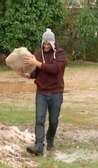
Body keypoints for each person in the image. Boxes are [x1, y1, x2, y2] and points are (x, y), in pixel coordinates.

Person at [23, 28, 66, 156]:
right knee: (39, 119)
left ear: (53, 43)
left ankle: (50, 140)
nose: (46, 46)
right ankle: (38, 146)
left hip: (56, 92)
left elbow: (55, 69)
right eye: (44, 43)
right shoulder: (38, 54)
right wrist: (29, 75)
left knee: (53, 120)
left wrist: (37, 63)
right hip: (41, 92)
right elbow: (36, 71)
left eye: (48, 44)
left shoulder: (60, 54)